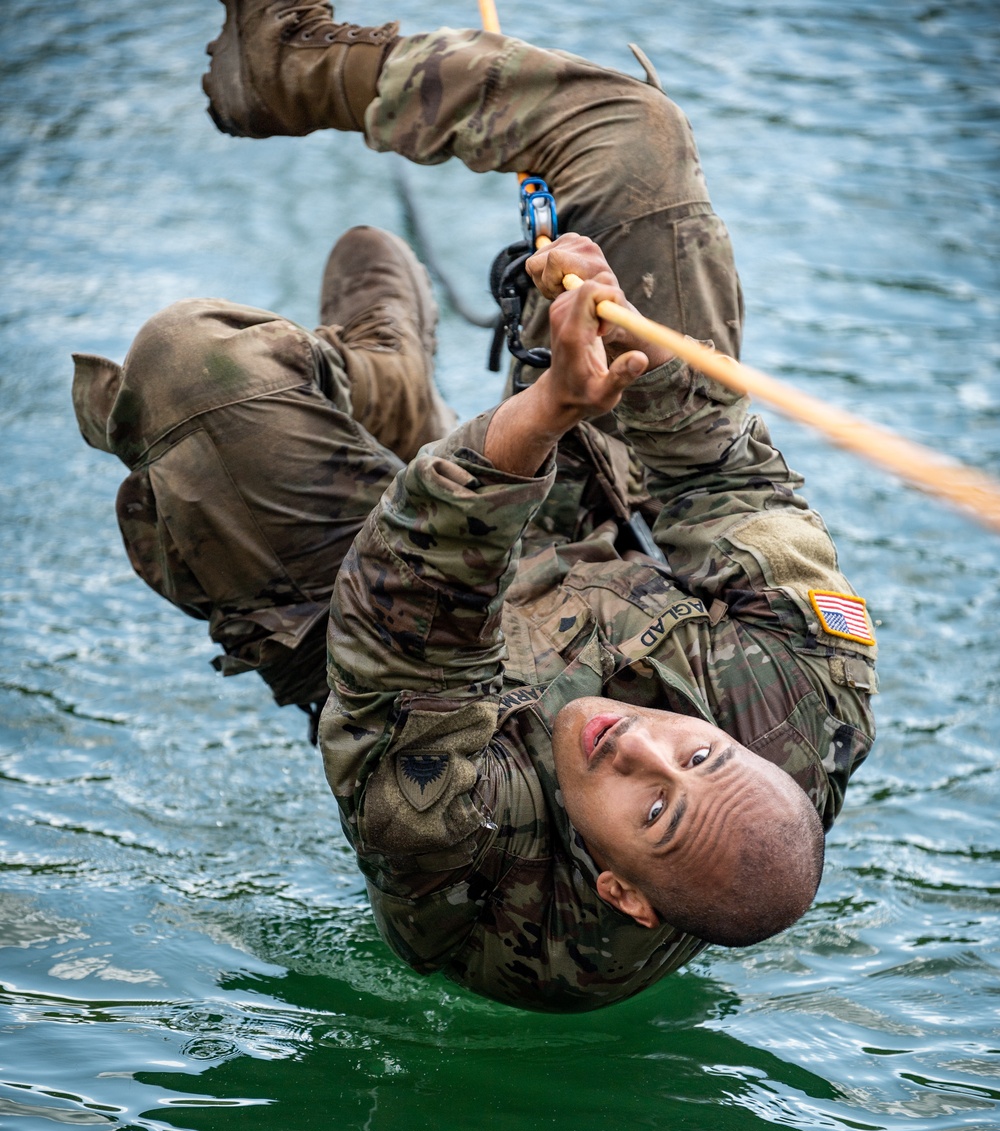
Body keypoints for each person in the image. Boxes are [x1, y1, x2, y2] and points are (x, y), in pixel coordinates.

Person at [72, 4, 877, 1012]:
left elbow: (400, 627)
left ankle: (368, 392)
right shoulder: (814, 689)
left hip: (365, 604)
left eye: (651, 808)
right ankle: (288, 77)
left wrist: (538, 414)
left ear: (622, 891)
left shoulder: (481, 870)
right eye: (694, 750)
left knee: (188, 362)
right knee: (632, 141)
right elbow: (718, 476)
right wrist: (601, 333)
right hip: (576, 519)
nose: (639, 744)